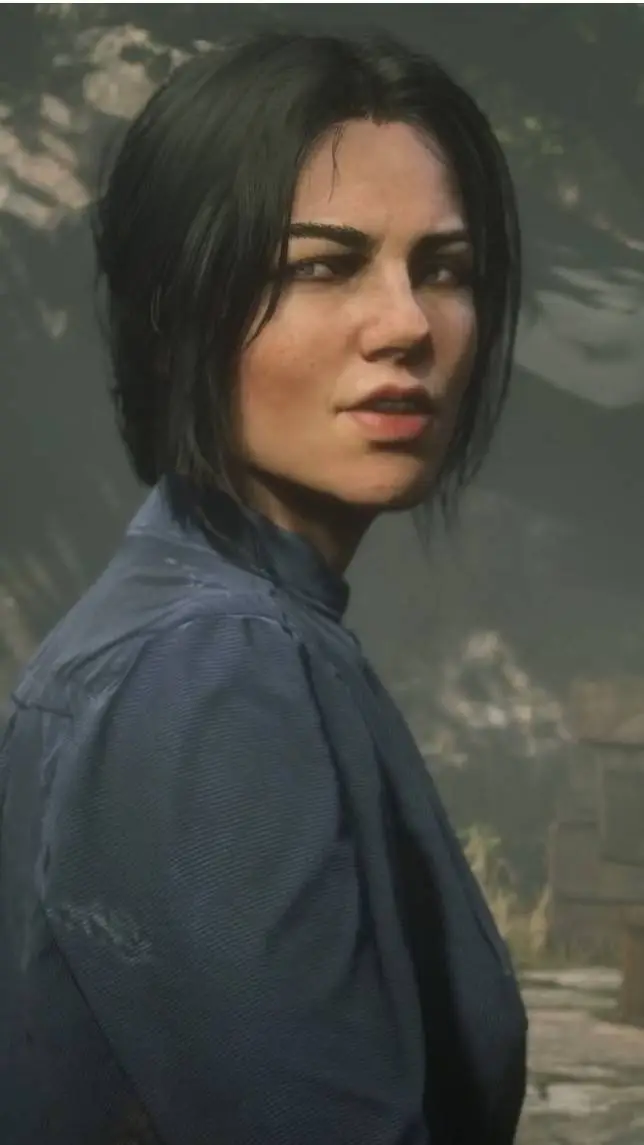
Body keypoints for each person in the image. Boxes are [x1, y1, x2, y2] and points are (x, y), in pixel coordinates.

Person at [0, 27, 527, 1145]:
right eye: (322, 265)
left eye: (444, 268)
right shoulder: (205, 666)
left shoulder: (237, 626)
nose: (407, 324)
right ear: (173, 311)